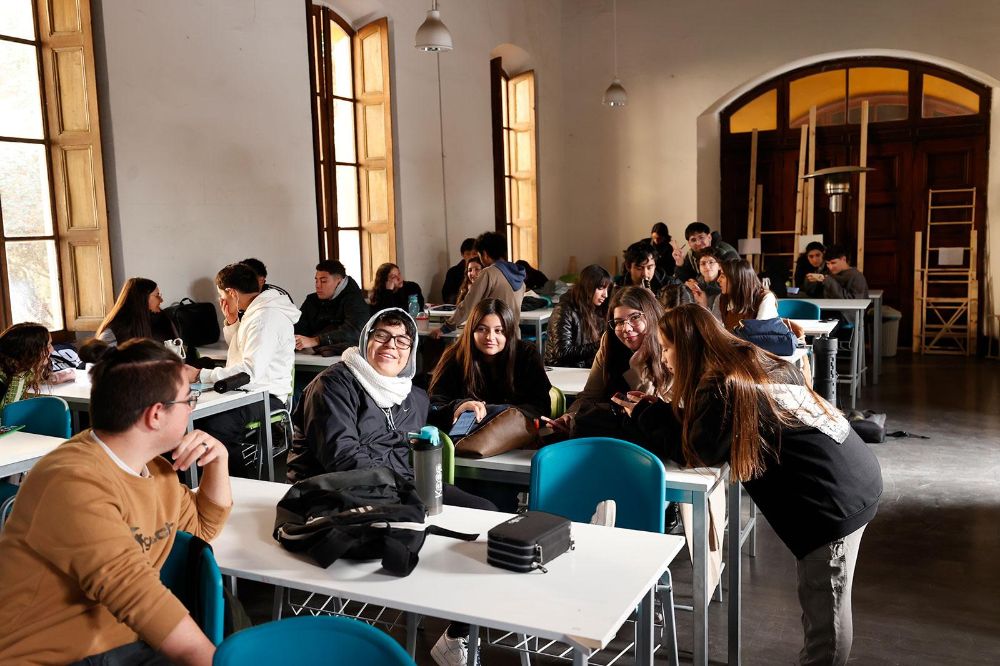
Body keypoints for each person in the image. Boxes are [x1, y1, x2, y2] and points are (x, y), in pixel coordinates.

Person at [620, 304, 882, 666]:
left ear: (689, 345)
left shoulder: (722, 384)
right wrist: (662, 411)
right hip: (849, 473)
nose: (663, 358)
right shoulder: (744, 360)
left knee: (827, 615)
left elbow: (697, 450)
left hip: (833, 498)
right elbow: (707, 427)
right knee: (820, 598)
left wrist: (644, 415)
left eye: (666, 348)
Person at [0, 339, 233, 665]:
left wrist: (219, 460)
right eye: (188, 399)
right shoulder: (72, 482)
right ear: (156, 414)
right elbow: (140, 599)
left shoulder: (155, 470)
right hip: (47, 656)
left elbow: (202, 528)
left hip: (119, 643)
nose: (192, 407)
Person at [285, 308, 495, 666]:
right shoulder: (333, 385)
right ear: (365, 338)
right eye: (381, 335)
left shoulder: (407, 392)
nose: (391, 346)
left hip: (399, 487)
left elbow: (427, 409)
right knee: (430, 532)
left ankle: (456, 635)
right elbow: (342, 458)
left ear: (411, 350)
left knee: (486, 516)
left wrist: (456, 407)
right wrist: (406, 492)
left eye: (402, 340)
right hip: (337, 494)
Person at [186, 263, 300, 475]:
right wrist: (232, 321)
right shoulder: (255, 311)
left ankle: (236, 482)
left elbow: (249, 371)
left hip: (267, 395)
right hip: (249, 390)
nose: (221, 300)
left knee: (216, 425)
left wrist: (201, 374)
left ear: (232, 292)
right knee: (195, 418)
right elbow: (242, 349)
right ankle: (203, 481)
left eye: (222, 295)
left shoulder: (265, 317)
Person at [548, 286, 669, 437]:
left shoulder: (669, 345)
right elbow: (590, 395)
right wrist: (569, 417)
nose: (626, 328)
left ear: (651, 314)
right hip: (612, 431)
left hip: (653, 437)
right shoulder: (610, 342)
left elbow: (660, 413)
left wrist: (637, 369)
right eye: (619, 322)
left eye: (635, 317)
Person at [429, 299, 551, 428]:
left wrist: (498, 413)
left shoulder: (527, 355)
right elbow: (434, 406)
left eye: (498, 331)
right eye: (482, 329)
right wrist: (458, 406)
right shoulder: (454, 356)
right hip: (470, 435)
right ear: (471, 331)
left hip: (515, 431)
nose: (490, 337)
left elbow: (541, 407)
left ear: (509, 332)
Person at [432, 232, 526, 339]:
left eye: (479, 255)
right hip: (514, 335)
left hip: (493, 337)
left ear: (484, 254)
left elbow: (469, 304)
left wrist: (447, 327)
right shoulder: (519, 275)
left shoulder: (489, 273)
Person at [294, 260, 370, 354]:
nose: (318, 285)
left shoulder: (355, 300)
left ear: (339, 281)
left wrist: (316, 340)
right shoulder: (311, 300)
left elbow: (355, 331)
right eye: (316, 281)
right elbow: (298, 328)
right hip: (307, 355)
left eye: (323, 281)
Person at [544, 264, 611, 368]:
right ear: (588, 286)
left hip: (583, 368)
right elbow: (562, 353)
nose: (605, 295)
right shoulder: (564, 310)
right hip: (562, 370)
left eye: (607, 289)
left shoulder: (596, 309)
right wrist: (601, 345)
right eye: (601, 288)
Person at [96, 277, 179, 346]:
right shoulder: (114, 331)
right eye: (157, 295)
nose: (161, 300)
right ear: (141, 299)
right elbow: (101, 359)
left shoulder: (163, 320)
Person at [0, 323, 55, 417]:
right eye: (49, 345)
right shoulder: (17, 376)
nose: (52, 350)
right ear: (30, 350)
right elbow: (7, 418)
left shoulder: (15, 369)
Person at [716, 258, 778, 330]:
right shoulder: (724, 298)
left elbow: (760, 333)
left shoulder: (765, 298)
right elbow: (719, 329)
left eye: (723, 276)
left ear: (737, 279)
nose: (718, 280)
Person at [672, 222, 740, 282]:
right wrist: (680, 262)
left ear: (709, 237)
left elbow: (733, 282)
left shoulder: (725, 253)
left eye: (701, 237)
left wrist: (700, 286)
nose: (698, 243)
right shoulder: (691, 254)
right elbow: (686, 278)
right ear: (689, 243)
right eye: (693, 240)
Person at [685, 247, 724, 311]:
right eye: (703, 263)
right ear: (699, 267)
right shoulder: (694, 285)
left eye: (711, 262)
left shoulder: (725, 285)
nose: (707, 267)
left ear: (719, 266)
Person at [441, 238, 478, 304]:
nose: (471, 257)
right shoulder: (453, 272)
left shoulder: (484, 271)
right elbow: (446, 296)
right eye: (468, 254)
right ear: (462, 255)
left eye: (474, 254)